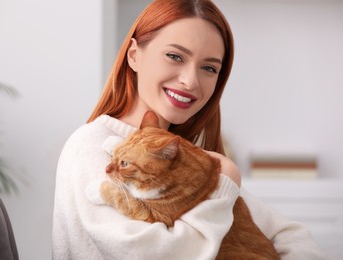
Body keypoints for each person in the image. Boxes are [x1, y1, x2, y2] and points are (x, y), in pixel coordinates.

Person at [52, 0, 326, 259]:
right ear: (134, 55)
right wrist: (224, 185)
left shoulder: (181, 154)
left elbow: (292, 235)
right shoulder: (89, 145)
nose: (190, 81)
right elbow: (145, 253)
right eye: (175, 56)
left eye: (208, 68)